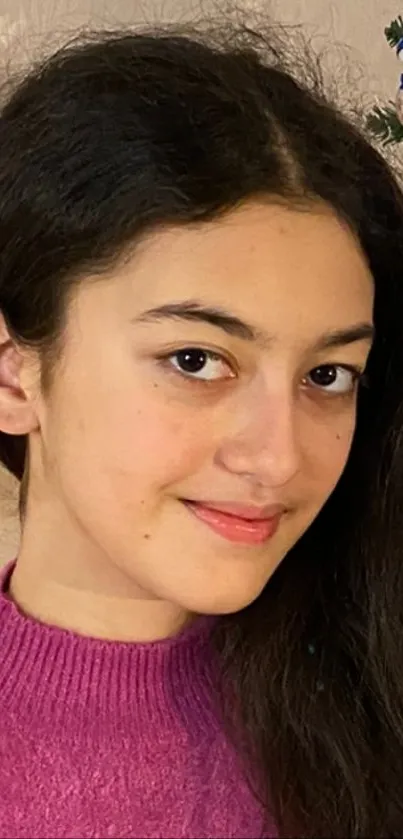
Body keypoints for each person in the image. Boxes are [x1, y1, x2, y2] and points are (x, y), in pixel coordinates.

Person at [0, 19, 402, 839]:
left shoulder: (373, 688)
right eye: (195, 358)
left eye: (327, 375)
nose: (279, 456)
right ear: (13, 373)